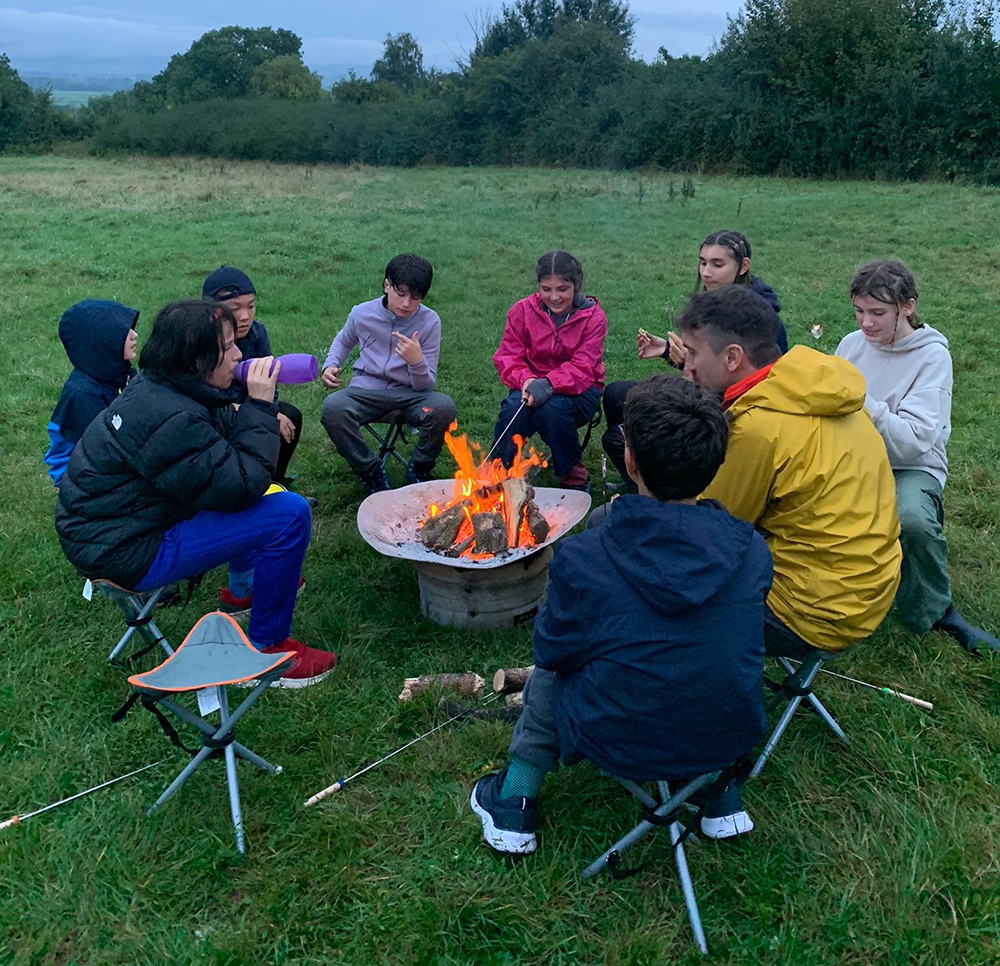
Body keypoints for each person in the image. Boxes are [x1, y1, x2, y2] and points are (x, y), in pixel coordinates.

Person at [470, 374, 772, 854]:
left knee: (555, 667)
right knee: (710, 649)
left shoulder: (585, 557)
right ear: (716, 461)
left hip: (615, 740)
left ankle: (515, 798)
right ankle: (718, 796)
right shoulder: (751, 549)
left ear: (629, 460)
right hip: (727, 736)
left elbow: (551, 650)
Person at [55, 299, 337, 688]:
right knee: (288, 513)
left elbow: (220, 464)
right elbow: (243, 485)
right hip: (123, 548)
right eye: (227, 348)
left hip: (115, 526)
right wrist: (259, 405)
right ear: (196, 360)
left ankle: (243, 592)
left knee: (259, 498)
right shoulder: (172, 417)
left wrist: (246, 406)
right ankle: (267, 652)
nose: (239, 355)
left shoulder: (166, 385)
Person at [677, 285, 901, 658]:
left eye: (693, 353)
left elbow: (714, 526)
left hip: (809, 612)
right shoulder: (815, 385)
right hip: (873, 585)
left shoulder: (759, 426)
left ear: (732, 357)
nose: (688, 367)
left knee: (661, 572)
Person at [836, 259, 999, 655]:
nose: (866, 323)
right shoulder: (851, 345)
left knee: (911, 518)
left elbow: (914, 442)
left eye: (878, 312)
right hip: (855, 457)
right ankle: (823, 599)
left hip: (911, 466)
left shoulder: (932, 357)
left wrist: (863, 403)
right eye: (859, 311)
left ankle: (934, 609)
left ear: (907, 307)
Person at [602, 230, 787, 491]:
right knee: (615, 394)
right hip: (715, 391)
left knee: (617, 437)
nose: (706, 273)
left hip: (727, 406)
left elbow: (746, 380)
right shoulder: (716, 304)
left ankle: (658, 492)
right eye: (703, 263)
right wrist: (670, 352)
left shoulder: (753, 317)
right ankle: (641, 482)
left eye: (717, 264)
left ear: (743, 266)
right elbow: (716, 362)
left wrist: (686, 365)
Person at [320, 253, 456, 493]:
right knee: (333, 407)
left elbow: (426, 385)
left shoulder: (430, 321)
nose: (406, 304)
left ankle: (420, 468)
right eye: (400, 294)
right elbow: (343, 341)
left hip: (410, 395)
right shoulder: (362, 313)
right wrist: (330, 365)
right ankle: (370, 471)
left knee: (443, 407)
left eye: (415, 298)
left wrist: (416, 362)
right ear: (386, 285)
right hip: (365, 392)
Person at [491, 251, 606, 491]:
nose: (554, 297)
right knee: (513, 407)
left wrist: (549, 384)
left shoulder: (593, 317)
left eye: (562, 289)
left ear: (576, 285)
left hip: (582, 390)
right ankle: (498, 473)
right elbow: (508, 355)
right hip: (531, 384)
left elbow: (584, 367)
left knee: (553, 408)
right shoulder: (522, 310)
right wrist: (526, 380)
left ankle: (574, 475)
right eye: (546, 289)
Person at [202, 266, 303, 487]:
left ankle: (274, 485)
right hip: (215, 414)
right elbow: (203, 399)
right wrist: (256, 411)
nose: (245, 316)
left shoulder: (257, 333)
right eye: (234, 308)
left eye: (251, 306)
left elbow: (268, 378)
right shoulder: (202, 341)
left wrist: (271, 410)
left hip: (250, 404)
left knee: (289, 416)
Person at [45, 300, 138, 487]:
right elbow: (101, 451)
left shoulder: (119, 374)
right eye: (123, 332)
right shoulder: (84, 395)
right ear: (103, 342)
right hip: (81, 477)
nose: (134, 335)